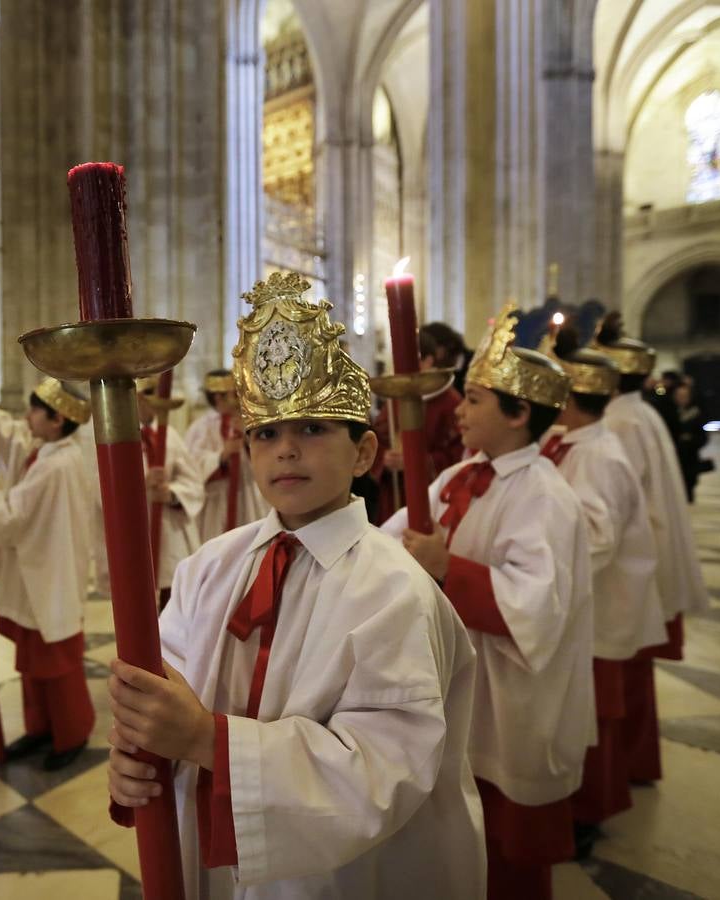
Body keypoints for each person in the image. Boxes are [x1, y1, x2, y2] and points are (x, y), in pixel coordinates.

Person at [107, 272, 485, 898]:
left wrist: (206, 738)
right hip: (217, 862)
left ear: (364, 454)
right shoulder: (209, 567)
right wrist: (139, 753)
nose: (286, 450)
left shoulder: (395, 590)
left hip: (342, 877)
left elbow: (383, 772)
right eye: (267, 434)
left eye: (312, 429)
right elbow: (163, 684)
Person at [385, 306, 594, 900]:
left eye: (474, 399)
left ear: (520, 412)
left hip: (508, 691)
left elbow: (538, 606)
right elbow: (397, 531)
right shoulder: (463, 472)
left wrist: (448, 567)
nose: (459, 410)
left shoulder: (545, 496)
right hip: (457, 676)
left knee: (508, 841)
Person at [541, 337, 666, 859]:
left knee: (591, 718)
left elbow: (595, 540)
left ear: (569, 399)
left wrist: (527, 564)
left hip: (598, 608)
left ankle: (587, 815)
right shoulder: (575, 442)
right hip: (580, 606)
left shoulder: (600, 456)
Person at [0, 373, 96, 771]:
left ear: (56, 419)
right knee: (33, 662)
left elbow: (13, 516)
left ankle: (72, 733)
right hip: (34, 573)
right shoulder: (43, 449)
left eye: (33, 410)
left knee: (56, 664)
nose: (25, 416)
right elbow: (9, 434)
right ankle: (41, 727)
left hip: (51, 576)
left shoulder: (57, 465)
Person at [592, 314, 709, 786]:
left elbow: (615, 505)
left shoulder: (619, 421)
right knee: (634, 679)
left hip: (634, 563)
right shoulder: (642, 412)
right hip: (651, 555)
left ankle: (626, 769)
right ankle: (637, 765)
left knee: (624, 680)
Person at [370, 328, 464, 522]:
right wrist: (384, 458)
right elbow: (378, 438)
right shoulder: (395, 397)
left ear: (429, 361)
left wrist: (416, 462)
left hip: (432, 494)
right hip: (394, 493)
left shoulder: (450, 401)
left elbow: (458, 454)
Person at [136, 376, 204, 610]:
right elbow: (99, 490)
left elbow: (193, 482)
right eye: (148, 395)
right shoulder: (119, 438)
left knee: (172, 606)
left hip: (169, 533)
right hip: (137, 531)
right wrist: (141, 484)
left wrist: (172, 493)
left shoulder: (171, 436)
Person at [184, 369, 269, 542]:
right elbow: (191, 465)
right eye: (214, 395)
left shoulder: (252, 421)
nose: (218, 400)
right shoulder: (201, 427)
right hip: (215, 500)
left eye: (223, 395)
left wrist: (247, 438)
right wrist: (221, 457)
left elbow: (268, 454)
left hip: (247, 492)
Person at [672, 380, 708, 502]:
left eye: (684, 396)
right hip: (674, 456)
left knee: (688, 488)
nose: (681, 399)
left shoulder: (695, 414)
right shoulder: (671, 414)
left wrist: (689, 440)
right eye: (679, 396)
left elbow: (703, 438)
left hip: (690, 457)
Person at [421, 321, 473, 389]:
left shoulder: (474, 363)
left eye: (433, 348)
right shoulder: (439, 369)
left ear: (449, 345)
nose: (431, 355)